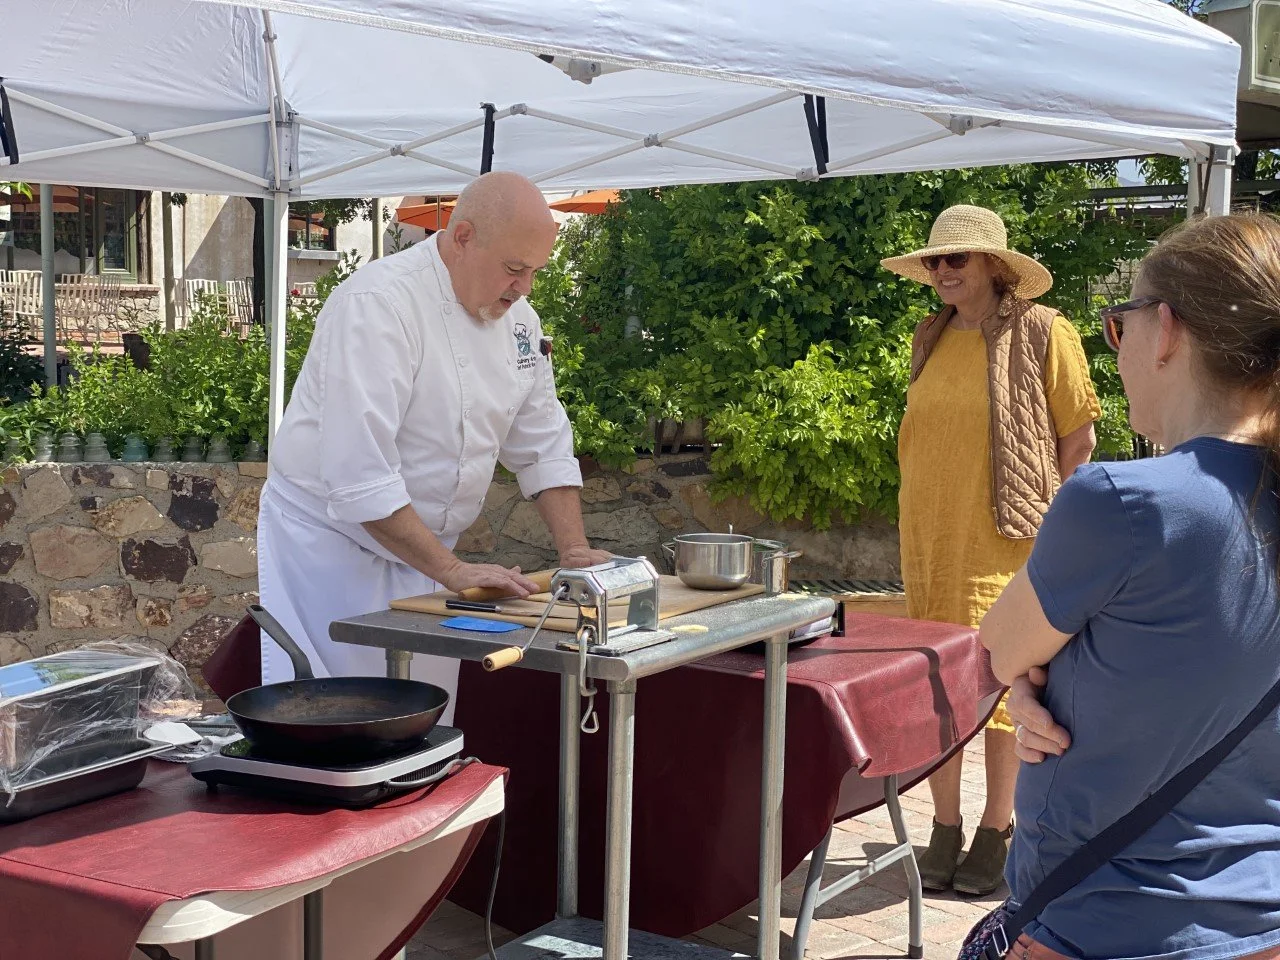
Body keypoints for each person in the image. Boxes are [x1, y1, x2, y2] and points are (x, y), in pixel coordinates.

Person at [983, 212, 1280, 960]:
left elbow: (998, 645)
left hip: (1106, 922)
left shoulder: (1125, 500)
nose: (1115, 351)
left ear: (1168, 329)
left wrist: (1028, 683)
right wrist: (1039, 689)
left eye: (1119, 325)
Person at [257, 172, 611, 720]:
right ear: (463, 236)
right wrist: (450, 569)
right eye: (514, 269)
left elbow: (542, 441)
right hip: (331, 544)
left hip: (426, 550)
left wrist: (574, 552)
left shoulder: (521, 322)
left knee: (425, 717)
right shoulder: (379, 304)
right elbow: (358, 475)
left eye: (535, 272)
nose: (524, 288)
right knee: (343, 717)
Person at [879, 204, 1100, 895]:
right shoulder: (930, 333)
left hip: (1008, 536)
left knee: (1002, 684)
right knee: (936, 683)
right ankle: (944, 826)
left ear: (993, 267)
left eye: (958, 260)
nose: (943, 272)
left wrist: (1060, 538)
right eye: (936, 261)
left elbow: (1079, 439)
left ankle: (996, 828)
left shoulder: (1043, 331)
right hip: (929, 537)